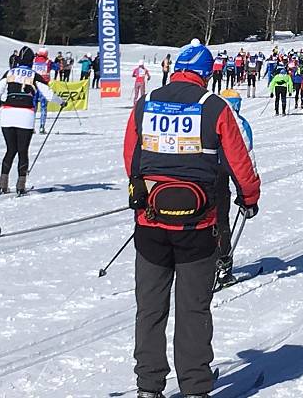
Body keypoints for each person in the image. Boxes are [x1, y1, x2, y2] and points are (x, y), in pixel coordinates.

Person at [123, 39, 260, 398]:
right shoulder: (213, 107)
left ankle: (148, 385)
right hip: (197, 225)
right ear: (206, 73)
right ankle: (195, 386)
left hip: (150, 222)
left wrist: (146, 187)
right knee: (193, 308)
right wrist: (250, 196)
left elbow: (130, 154)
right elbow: (238, 162)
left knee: (150, 307)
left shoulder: (146, 102)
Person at [0, 46, 64, 195]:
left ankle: (2, 183)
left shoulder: (10, 72)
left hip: (7, 114)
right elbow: (48, 94)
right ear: (31, 60)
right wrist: (61, 102)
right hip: (25, 115)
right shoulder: (34, 75)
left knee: (10, 150)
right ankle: (20, 185)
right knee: (23, 151)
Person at [215, 88, 256, 288]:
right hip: (223, 176)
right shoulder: (241, 124)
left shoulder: (210, 113)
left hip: (203, 175)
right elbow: (245, 158)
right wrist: (246, 195)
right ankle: (223, 266)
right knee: (221, 221)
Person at [32, 49, 54, 134]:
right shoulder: (48, 62)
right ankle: (41, 127)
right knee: (43, 107)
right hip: (43, 87)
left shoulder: (33, 60)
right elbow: (58, 67)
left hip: (34, 86)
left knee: (33, 107)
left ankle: (31, 127)